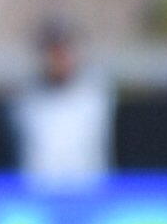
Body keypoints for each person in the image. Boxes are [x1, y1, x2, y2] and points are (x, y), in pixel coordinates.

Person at [8, 19, 114, 189]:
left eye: (64, 51)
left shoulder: (94, 95)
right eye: (53, 52)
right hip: (38, 195)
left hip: (87, 195)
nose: (59, 59)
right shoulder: (26, 101)